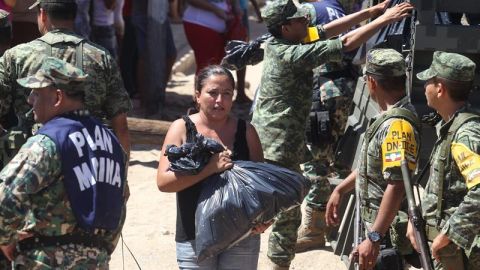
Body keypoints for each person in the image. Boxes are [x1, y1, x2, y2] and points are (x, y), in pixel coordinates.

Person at [251, 0, 413, 268]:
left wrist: (370, 12)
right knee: (286, 209)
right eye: (301, 20)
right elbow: (345, 43)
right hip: (279, 142)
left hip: (287, 136)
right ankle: (279, 264)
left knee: (285, 200)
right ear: (286, 27)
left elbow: (326, 31)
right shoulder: (290, 53)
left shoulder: (292, 39)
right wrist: (386, 19)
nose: (307, 22)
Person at [0, 56, 127, 268]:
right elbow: (119, 203)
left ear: (58, 97)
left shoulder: (48, 141)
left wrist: (5, 240)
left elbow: (5, 197)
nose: (30, 100)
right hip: (96, 261)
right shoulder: (111, 142)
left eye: (36, 93)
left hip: (45, 260)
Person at [157, 65, 268, 269]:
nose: (219, 100)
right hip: (194, 239)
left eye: (227, 94)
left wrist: (265, 218)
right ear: (197, 95)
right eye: (212, 93)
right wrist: (208, 169)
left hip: (241, 236)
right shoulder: (181, 129)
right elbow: (164, 183)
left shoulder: (247, 132)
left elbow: (262, 187)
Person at [0, 0, 131, 169]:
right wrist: (122, 178)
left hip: (31, 167)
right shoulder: (101, 57)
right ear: (74, 16)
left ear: (43, 15)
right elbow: (121, 126)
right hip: (86, 167)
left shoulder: (16, 56)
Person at [407, 51, 480, 270]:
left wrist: (450, 234)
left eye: (429, 80)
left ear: (440, 89)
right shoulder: (450, 126)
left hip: (457, 251)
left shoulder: (466, 134)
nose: (425, 86)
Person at [295, 0, 359, 252]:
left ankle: (314, 229)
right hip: (342, 88)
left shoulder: (312, 10)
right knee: (337, 156)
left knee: (316, 158)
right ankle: (334, 221)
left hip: (324, 91)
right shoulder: (337, 11)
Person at [182, 0, 242, 75]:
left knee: (217, 69)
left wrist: (235, 7)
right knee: (207, 69)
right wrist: (215, 9)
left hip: (222, 27)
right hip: (200, 24)